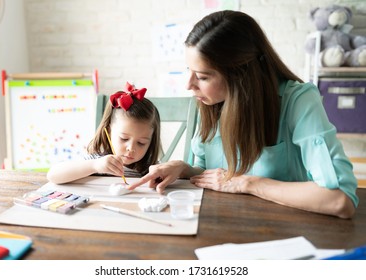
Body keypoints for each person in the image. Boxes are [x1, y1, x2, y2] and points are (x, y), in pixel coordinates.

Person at [128, 10, 358, 219]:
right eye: (189, 70)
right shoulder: (210, 102)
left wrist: (248, 183)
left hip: (284, 231)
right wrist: (184, 168)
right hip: (222, 226)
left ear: (241, 75)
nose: (189, 85)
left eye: (203, 76)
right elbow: (210, 174)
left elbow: (339, 199)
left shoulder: (298, 101)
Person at [47, 82, 161, 184]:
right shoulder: (98, 159)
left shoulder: (150, 167)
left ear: (151, 140)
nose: (131, 148)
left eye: (141, 143)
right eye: (124, 139)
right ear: (109, 131)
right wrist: (95, 166)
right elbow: (53, 175)